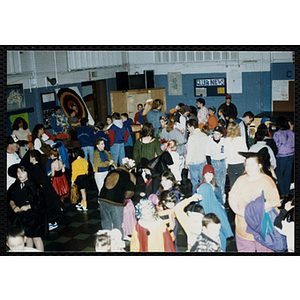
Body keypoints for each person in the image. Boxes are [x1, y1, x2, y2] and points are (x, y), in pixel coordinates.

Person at [228, 153, 281, 252]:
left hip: (262, 231)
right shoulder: (240, 180)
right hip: (242, 230)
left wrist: (249, 212)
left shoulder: (267, 181)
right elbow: (232, 196)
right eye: (247, 165)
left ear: (259, 166)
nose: (248, 168)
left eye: (252, 165)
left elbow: (273, 202)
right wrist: (237, 210)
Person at [7, 163, 46, 251]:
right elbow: (10, 199)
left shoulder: (34, 186)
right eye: (18, 172)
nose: (20, 174)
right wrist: (14, 207)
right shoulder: (14, 186)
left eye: (23, 172)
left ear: (27, 173)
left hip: (33, 216)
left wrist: (29, 206)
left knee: (36, 237)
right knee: (27, 237)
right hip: (20, 217)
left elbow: (40, 201)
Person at [98, 159, 136, 238]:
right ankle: (118, 244)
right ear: (130, 169)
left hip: (102, 198)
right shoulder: (128, 175)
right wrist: (124, 200)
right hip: (115, 201)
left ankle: (106, 242)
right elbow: (130, 192)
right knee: (117, 224)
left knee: (106, 222)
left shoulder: (111, 171)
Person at [29, 149, 65, 231]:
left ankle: (51, 222)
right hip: (47, 188)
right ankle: (50, 222)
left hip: (43, 190)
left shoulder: (35, 168)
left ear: (33, 158)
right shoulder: (40, 166)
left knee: (46, 206)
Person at [196, 183, 233, 251]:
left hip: (204, 236)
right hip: (218, 235)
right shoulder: (216, 206)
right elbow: (224, 222)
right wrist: (227, 233)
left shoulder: (197, 206)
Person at [273, 116, 294, 199]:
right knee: (288, 173)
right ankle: (287, 192)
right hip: (290, 154)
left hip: (281, 155)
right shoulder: (291, 132)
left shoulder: (277, 134)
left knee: (279, 173)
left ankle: (282, 192)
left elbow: (276, 145)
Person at [185, 118, 208, 194]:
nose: (187, 128)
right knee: (203, 181)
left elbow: (190, 151)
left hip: (194, 163)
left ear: (192, 127)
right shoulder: (204, 135)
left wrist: (187, 162)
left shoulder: (192, 137)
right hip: (203, 161)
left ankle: (195, 199)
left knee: (194, 183)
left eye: (188, 126)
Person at [205, 126, 227, 202]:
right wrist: (209, 166)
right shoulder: (209, 142)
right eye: (214, 134)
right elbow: (207, 155)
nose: (216, 136)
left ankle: (222, 194)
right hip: (213, 161)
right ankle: (214, 195)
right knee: (214, 180)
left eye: (218, 134)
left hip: (222, 161)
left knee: (222, 180)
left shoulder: (224, 141)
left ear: (221, 135)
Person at [225, 121, 248, 190]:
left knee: (232, 182)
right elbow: (245, 152)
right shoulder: (241, 139)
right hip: (240, 163)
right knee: (241, 182)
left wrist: (226, 166)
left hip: (230, 163)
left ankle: (232, 198)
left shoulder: (226, 140)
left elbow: (225, 154)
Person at [71, 147, 89, 211]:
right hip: (85, 177)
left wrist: (72, 181)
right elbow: (87, 169)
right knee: (83, 191)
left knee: (82, 192)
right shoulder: (84, 160)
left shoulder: (75, 163)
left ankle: (85, 205)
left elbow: (74, 173)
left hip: (79, 178)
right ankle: (82, 203)